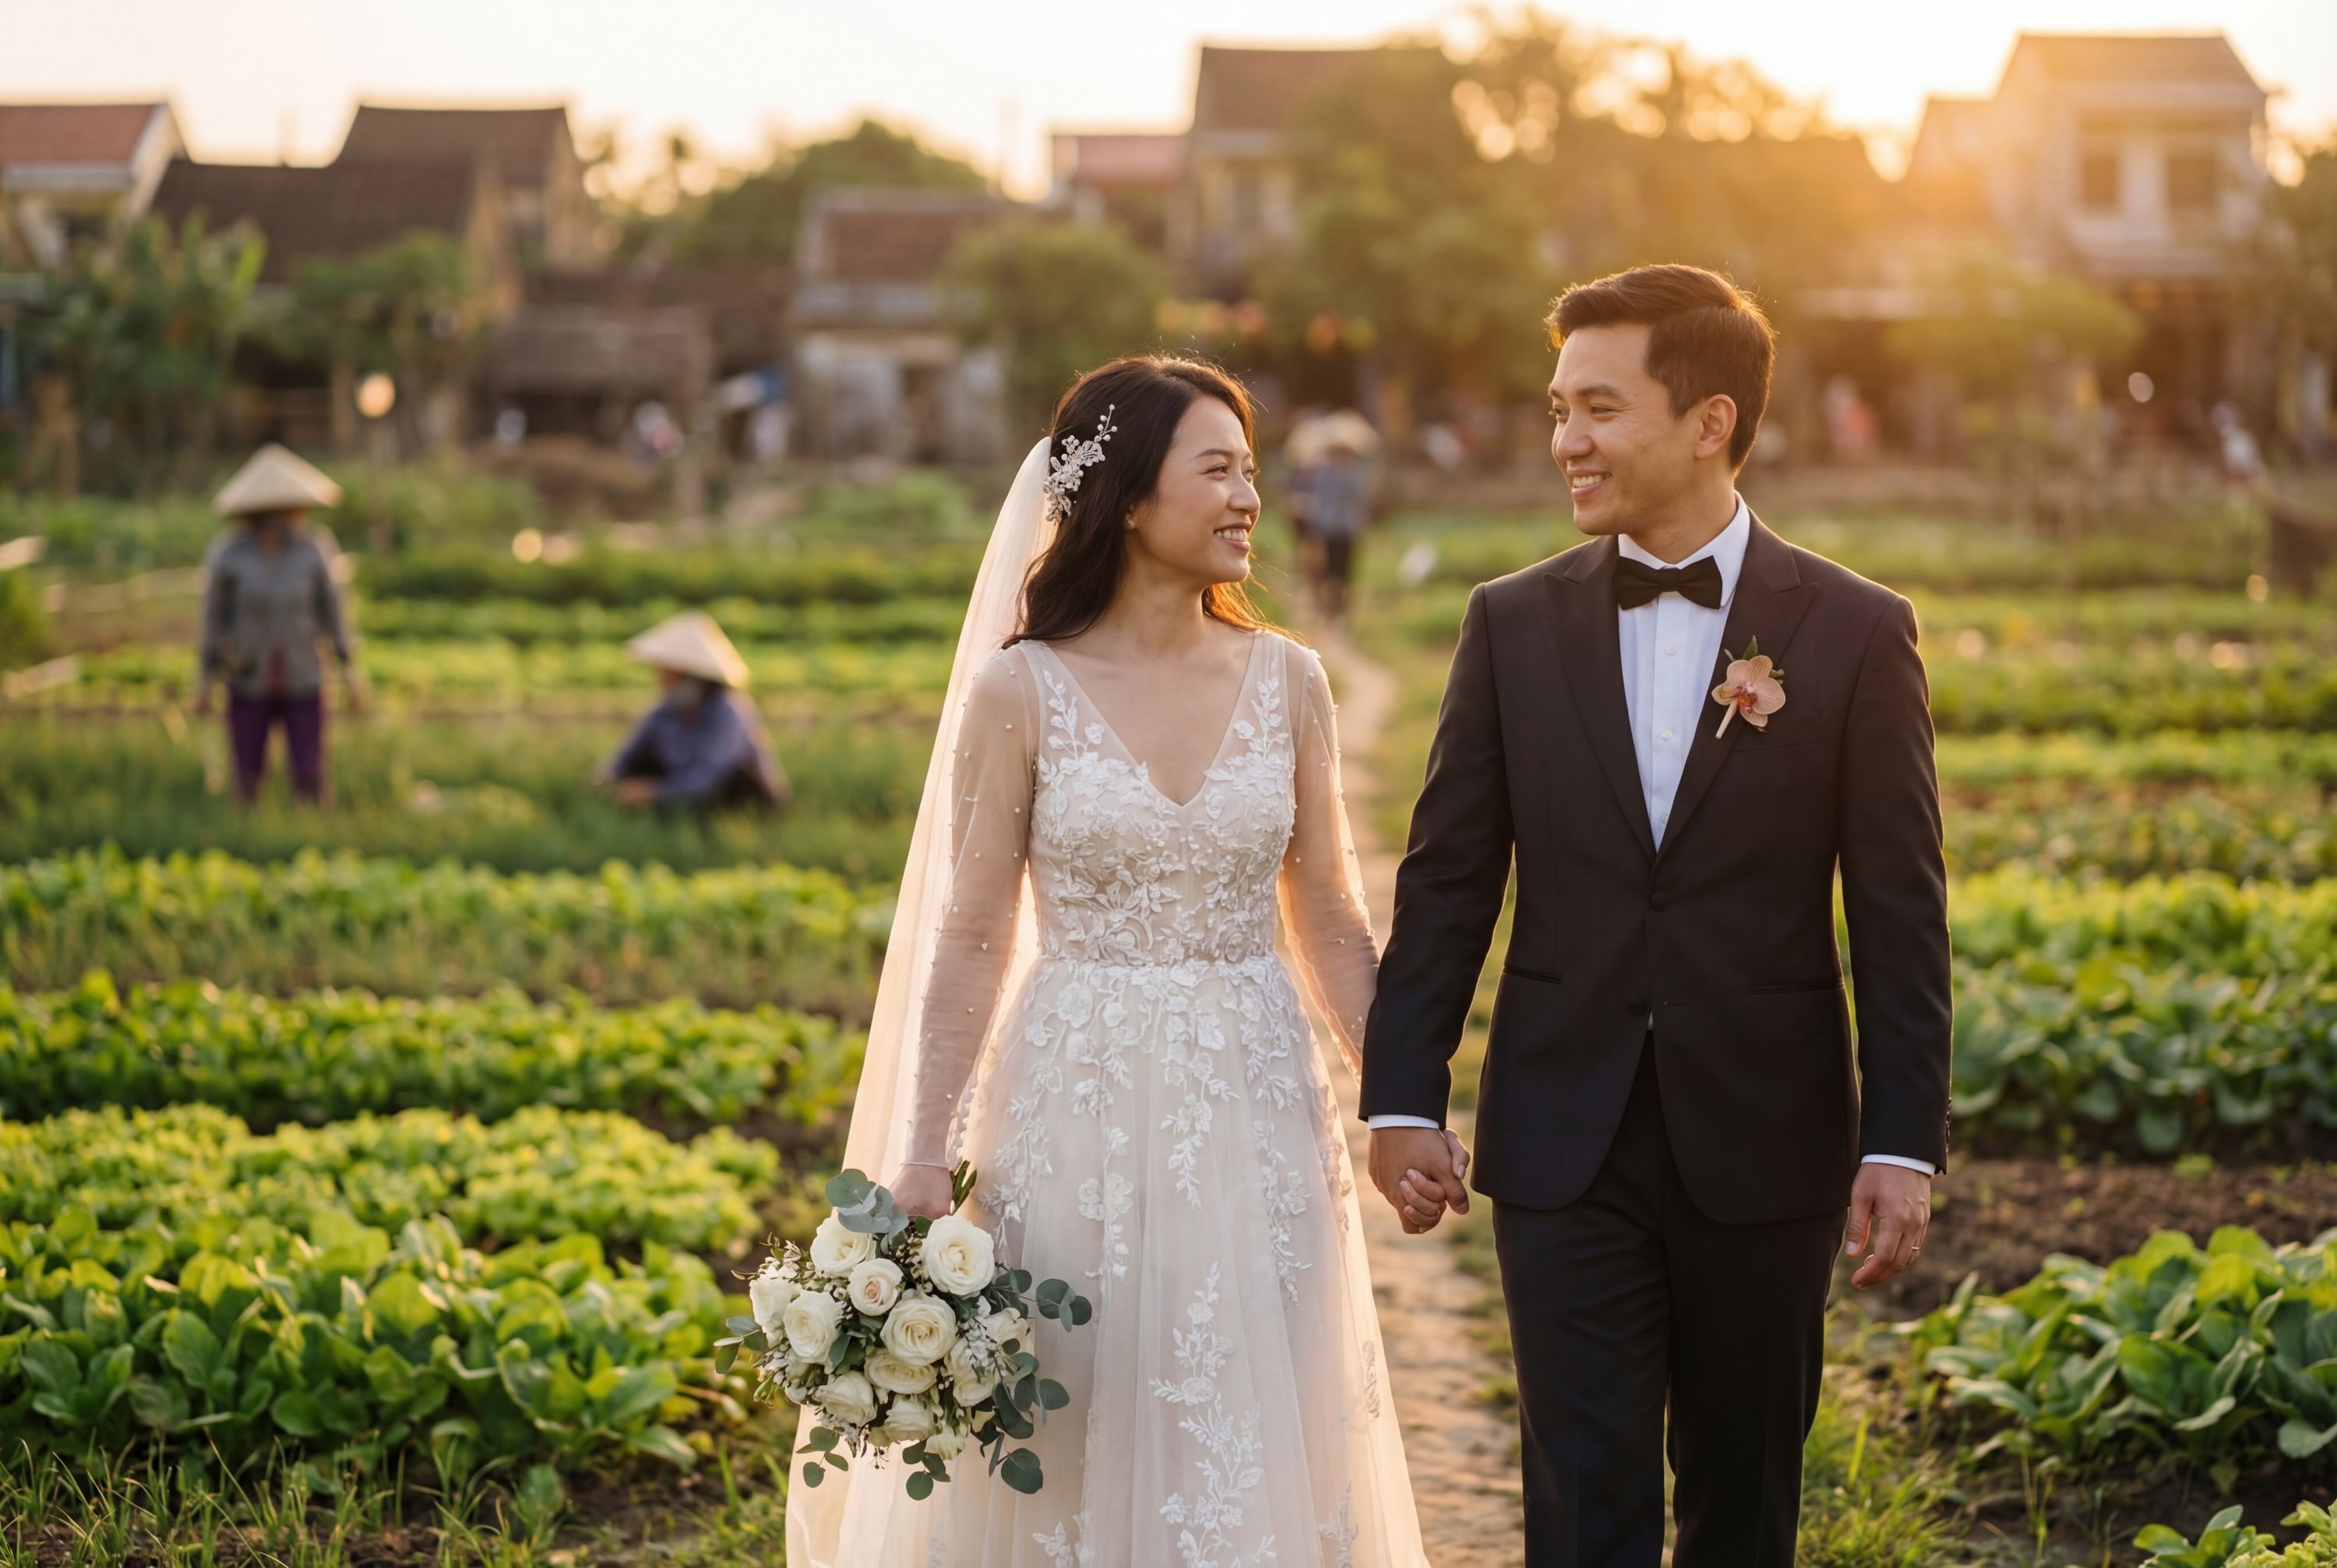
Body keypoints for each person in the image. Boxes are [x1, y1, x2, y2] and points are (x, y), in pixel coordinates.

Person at [789, 356, 1454, 1566]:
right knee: (1076, 1412)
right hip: (1071, 1104)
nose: (1250, 497)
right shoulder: (1020, 689)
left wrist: (1396, 1097)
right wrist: (925, 1150)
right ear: (1131, 499)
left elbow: (1328, 911)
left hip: (1256, 1098)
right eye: (1218, 470)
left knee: (1248, 1414)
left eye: (1251, 469)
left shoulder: (1293, 681)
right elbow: (974, 929)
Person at [1362, 265, 1951, 1566]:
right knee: (1583, 1505)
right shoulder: (1509, 624)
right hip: (1562, 1139)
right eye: (1558, 408)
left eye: (1600, 407)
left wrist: (1903, 1139)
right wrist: (1402, 1093)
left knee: (1744, 1506)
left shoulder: (1859, 632)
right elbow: (1451, 877)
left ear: (1708, 421)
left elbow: (1900, 909)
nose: (1565, 439)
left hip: (1770, 1138)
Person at [195, 443, 364, 804]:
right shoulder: (230, 554)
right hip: (248, 673)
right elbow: (213, 618)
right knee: (247, 775)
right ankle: (249, 826)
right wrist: (205, 678)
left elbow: (333, 611)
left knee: (310, 772)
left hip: (303, 673)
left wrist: (350, 670)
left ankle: (309, 826)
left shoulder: (313, 549)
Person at [599, 611, 788, 811]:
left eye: (670, 676)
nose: (663, 684)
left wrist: (653, 792)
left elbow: (710, 779)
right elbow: (626, 759)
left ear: (693, 677)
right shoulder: (664, 713)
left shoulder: (728, 712)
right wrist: (605, 780)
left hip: (738, 800)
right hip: (686, 796)